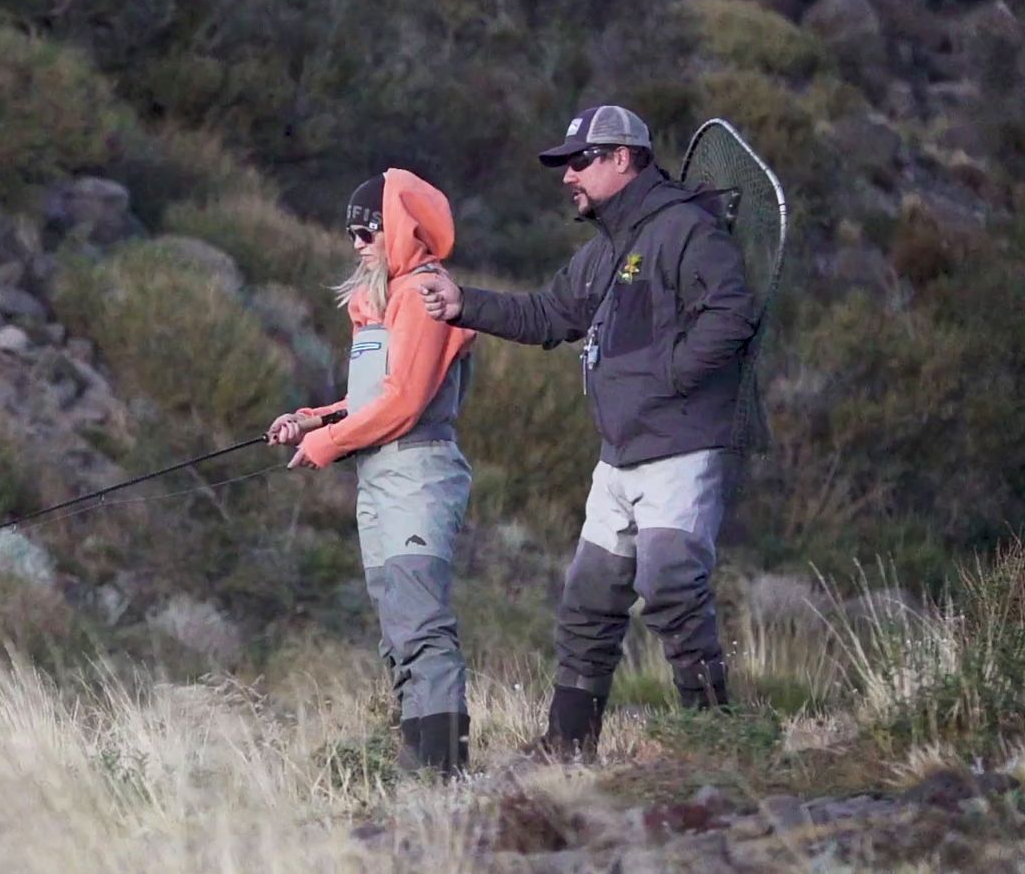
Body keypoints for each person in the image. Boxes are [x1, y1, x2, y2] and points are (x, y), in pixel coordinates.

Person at [415, 105, 757, 760]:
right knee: (587, 604)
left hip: (682, 447)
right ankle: (568, 745)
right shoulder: (603, 251)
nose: (566, 175)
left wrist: (668, 376)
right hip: (620, 455)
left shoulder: (687, 230)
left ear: (623, 158)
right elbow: (549, 315)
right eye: (563, 164)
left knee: (673, 589)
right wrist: (465, 304)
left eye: (580, 161)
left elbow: (730, 315)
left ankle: (722, 745)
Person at [267, 169, 478, 777]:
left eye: (369, 228)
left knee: (421, 623)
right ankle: (421, 768)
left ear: (404, 229)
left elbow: (406, 401)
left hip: (419, 474)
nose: (358, 240)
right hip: (378, 478)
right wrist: (311, 420)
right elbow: (370, 398)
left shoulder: (424, 295)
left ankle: (443, 773)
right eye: (351, 230)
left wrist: (329, 443)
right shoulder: (378, 304)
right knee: (396, 628)